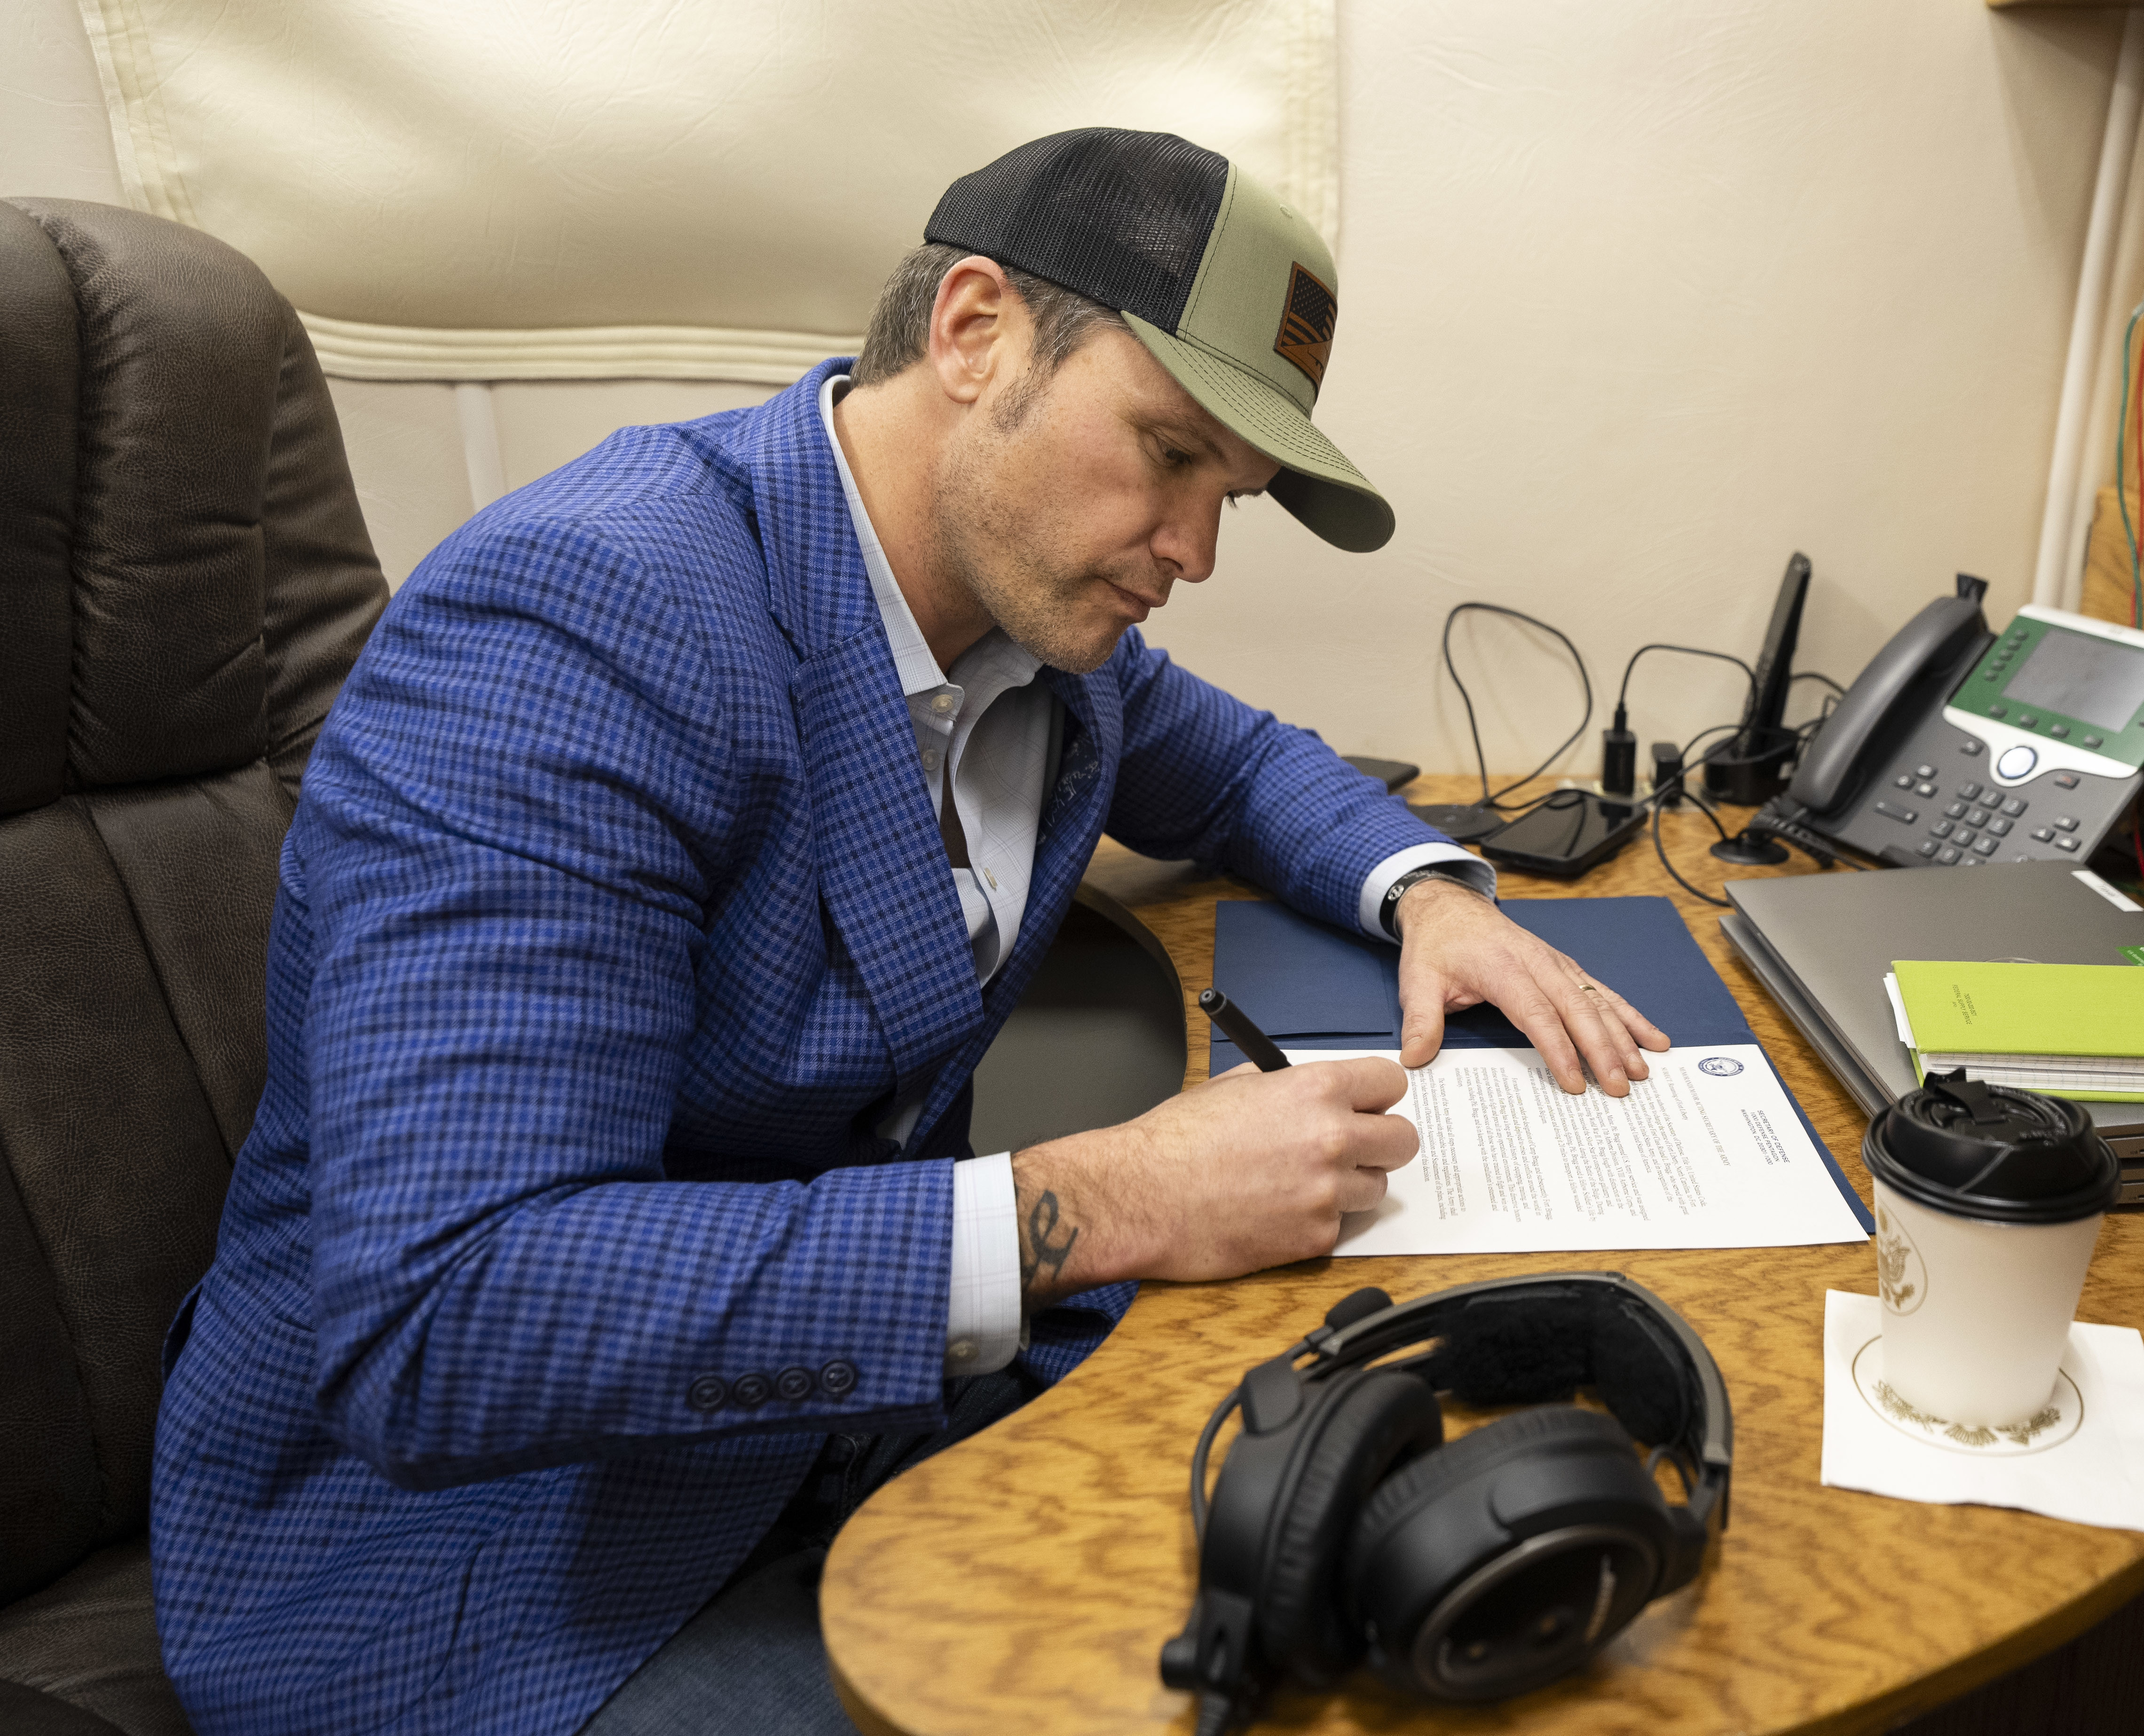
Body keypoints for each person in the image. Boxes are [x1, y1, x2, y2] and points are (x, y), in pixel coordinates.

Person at [150, 128, 1668, 1736]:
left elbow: (1232, 762)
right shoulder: (578, 621)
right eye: (1167, 455)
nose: (1196, 552)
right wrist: (1101, 1196)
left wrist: (1422, 892)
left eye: (1232, 495)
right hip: (484, 1556)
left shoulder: (1035, 619)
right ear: (972, 332)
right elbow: (446, 1318)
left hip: (845, 1412)